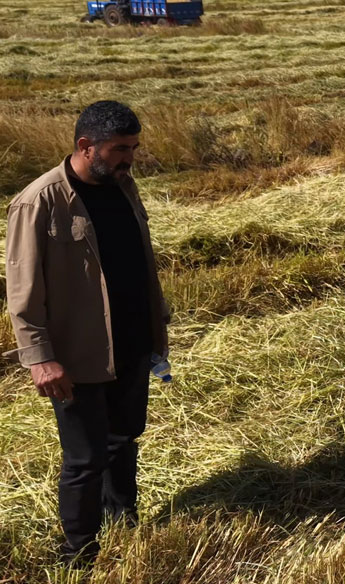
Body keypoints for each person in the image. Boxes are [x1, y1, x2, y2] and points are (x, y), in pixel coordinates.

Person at [4, 100, 170, 568]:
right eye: (121, 149)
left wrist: (158, 326)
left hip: (133, 343)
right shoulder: (39, 201)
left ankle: (123, 521)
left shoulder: (123, 186)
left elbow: (140, 260)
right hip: (78, 355)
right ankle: (77, 552)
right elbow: (22, 289)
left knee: (123, 439)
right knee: (84, 459)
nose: (129, 158)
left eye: (133, 148)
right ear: (85, 145)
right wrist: (39, 357)